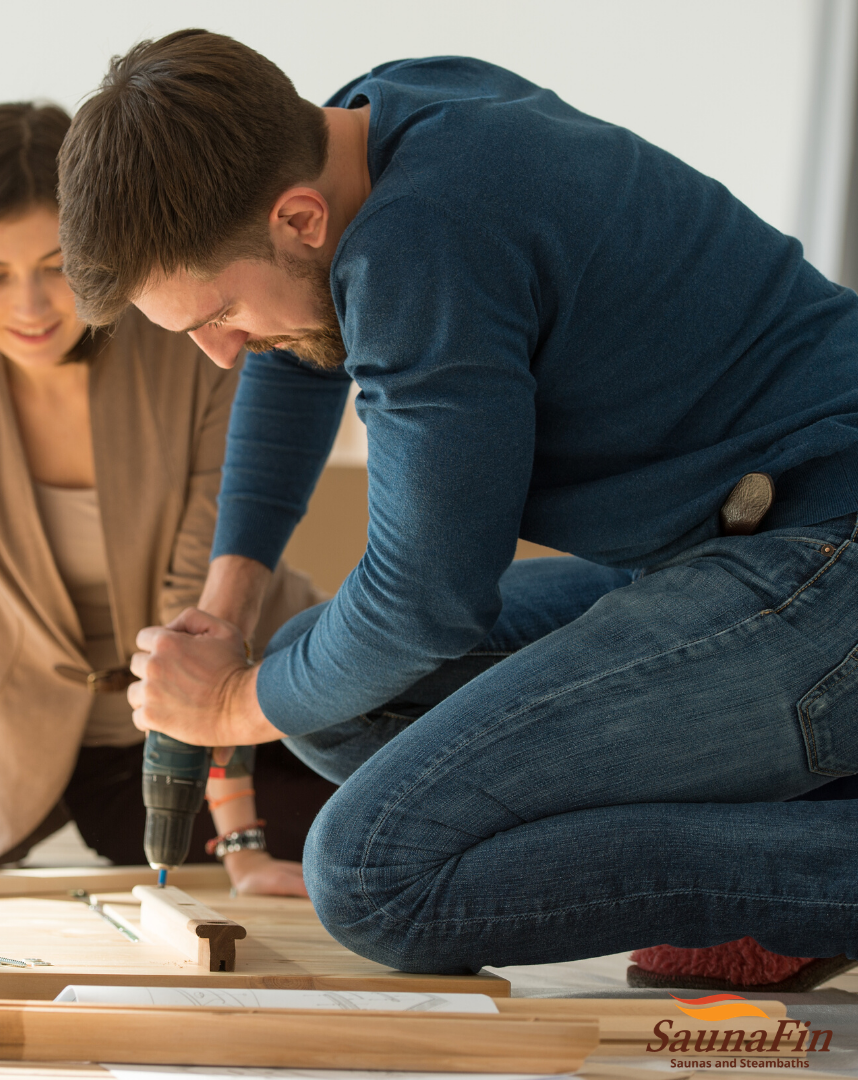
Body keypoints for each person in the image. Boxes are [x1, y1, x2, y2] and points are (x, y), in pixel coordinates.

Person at [54, 30, 858, 981]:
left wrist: (230, 703)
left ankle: (815, 874)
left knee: (375, 877)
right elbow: (297, 357)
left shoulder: (421, 242)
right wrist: (226, 612)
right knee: (325, 689)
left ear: (300, 220)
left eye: (217, 315)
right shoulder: (374, 116)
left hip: (823, 555)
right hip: (727, 543)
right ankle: (804, 808)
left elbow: (426, 598)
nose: (220, 352)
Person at [0, 101, 335, 893]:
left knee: (395, 814)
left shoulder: (193, 336)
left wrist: (240, 839)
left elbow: (198, 603)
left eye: (56, 267)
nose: (31, 309)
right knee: (181, 837)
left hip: (272, 694)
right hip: (109, 761)